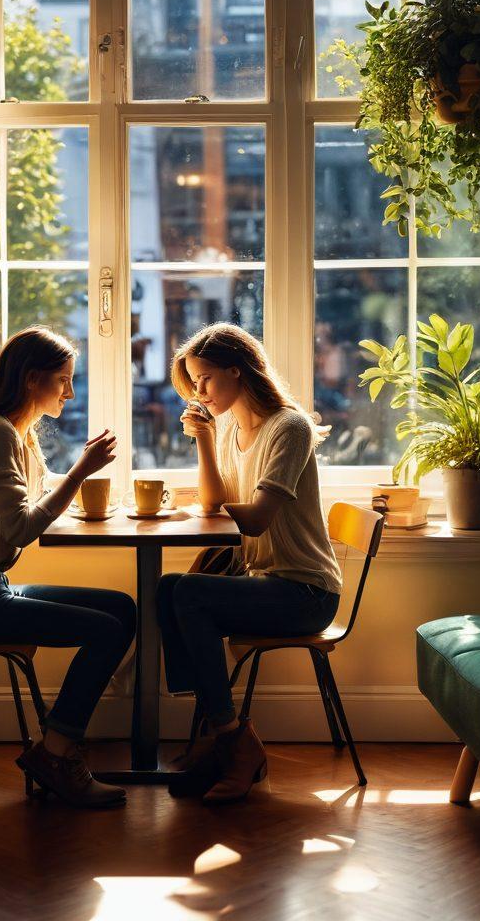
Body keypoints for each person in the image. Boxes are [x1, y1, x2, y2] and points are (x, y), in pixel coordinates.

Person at [0, 327, 136, 809]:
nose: (71, 392)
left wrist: (77, 479)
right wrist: (81, 472)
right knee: (105, 631)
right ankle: (56, 752)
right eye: (64, 380)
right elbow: (20, 530)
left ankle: (56, 747)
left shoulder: (15, 432)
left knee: (121, 609)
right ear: (33, 379)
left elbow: (24, 504)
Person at [157, 323, 341, 805]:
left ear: (237, 372)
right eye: (193, 383)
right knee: (167, 589)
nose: (198, 392)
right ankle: (219, 730)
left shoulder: (288, 427)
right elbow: (215, 499)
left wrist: (198, 510)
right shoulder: (231, 430)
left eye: (205, 380)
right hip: (262, 581)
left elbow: (256, 519)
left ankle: (228, 738)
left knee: (187, 593)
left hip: (305, 592)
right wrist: (202, 438)